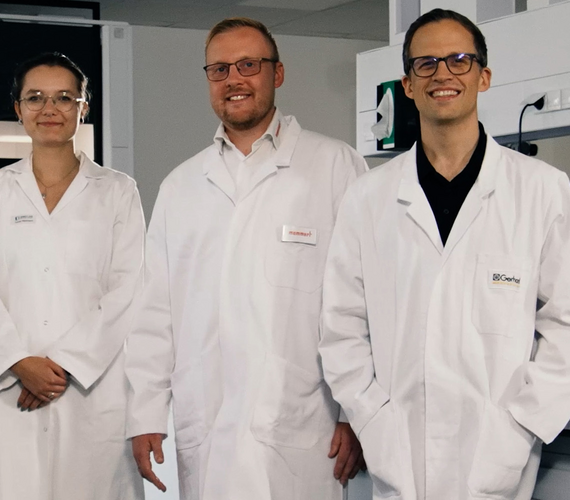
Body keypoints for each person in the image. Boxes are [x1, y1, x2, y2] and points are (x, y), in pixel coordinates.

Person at [320, 9, 570, 499]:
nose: (442, 74)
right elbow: (341, 328)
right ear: (408, 85)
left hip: (497, 459)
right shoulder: (367, 198)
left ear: (483, 77)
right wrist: (374, 419)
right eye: (426, 63)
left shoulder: (539, 189)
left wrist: (517, 428)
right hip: (398, 457)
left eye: (459, 60)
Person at [125, 17, 368, 499]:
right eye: (219, 69)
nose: (233, 79)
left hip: (306, 424)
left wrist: (354, 412)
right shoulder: (181, 186)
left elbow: (364, 299)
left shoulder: (336, 167)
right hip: (207, 422)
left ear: (278, 73)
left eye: (248, 65)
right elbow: (155, 313)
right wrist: (146, 413)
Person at [0, 52, 145, 500]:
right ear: (18, 109)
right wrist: (19, 362)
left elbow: (129, 289)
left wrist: (63, 367)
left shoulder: (117, 191)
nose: (49, 109)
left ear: (83, 107)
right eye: (35, 97)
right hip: (9, 388)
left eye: (64, 98)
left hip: (89, 389)